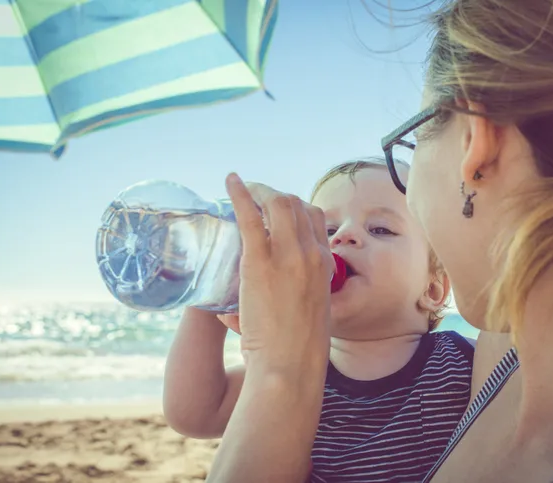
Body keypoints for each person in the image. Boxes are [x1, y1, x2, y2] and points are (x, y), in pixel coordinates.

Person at [206, 0, 553, 481]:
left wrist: (279, 371)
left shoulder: (493, 360)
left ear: (478, 141)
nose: (345, 237)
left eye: (409, 144)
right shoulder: (512, 343)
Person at [163, 158, 479, 482]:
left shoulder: (468, 362)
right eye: (325, 231)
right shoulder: (297, 368)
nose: (343, 236)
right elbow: (195, 412)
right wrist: (211, 284)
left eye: (380, 229)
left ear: (433, 287)